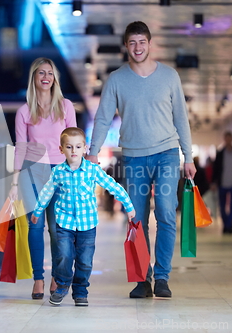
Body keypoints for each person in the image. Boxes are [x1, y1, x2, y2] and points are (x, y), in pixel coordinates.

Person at [87, 21, 196, 299]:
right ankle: (141, 279)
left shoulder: (169, 77)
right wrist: (92, 151)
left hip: (167, 154)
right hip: (134, 157)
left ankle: (162, 277)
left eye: (142, 42)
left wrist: (189, 156)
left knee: (166, 212)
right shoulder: (116, 79)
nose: (137, 47)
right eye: (132, 42)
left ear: (150, 44)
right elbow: (102, 118)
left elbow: (181, 118)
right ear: (126, 46)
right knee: (136, 219)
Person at [31, 127, 136, 306]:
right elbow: (46, 192)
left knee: (85, 261)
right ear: (61, 149)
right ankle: (62, 285)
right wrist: (37, 211)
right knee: (64, 255)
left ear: (85, 148)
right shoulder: (58, 172)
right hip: (64, 223)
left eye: (78, 147)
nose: (74, 151)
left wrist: (128, 205)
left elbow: (112, 185)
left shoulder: (92, 170)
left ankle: (80, 291)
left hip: (87, 225)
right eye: (69, 147)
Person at [9, 57, 77, 299]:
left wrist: (76, 174)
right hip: (32, 172)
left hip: (60, 172)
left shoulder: (66, 106)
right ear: (34, 78)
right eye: (41, 73)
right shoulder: (24, 111)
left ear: (55, 78)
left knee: (58, 230)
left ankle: (58, 277)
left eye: (50, 73)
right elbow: (21, 146)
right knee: (35, 227)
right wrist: (15, 182)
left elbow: (73, 143)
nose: (46, 77)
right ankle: (38, 279)